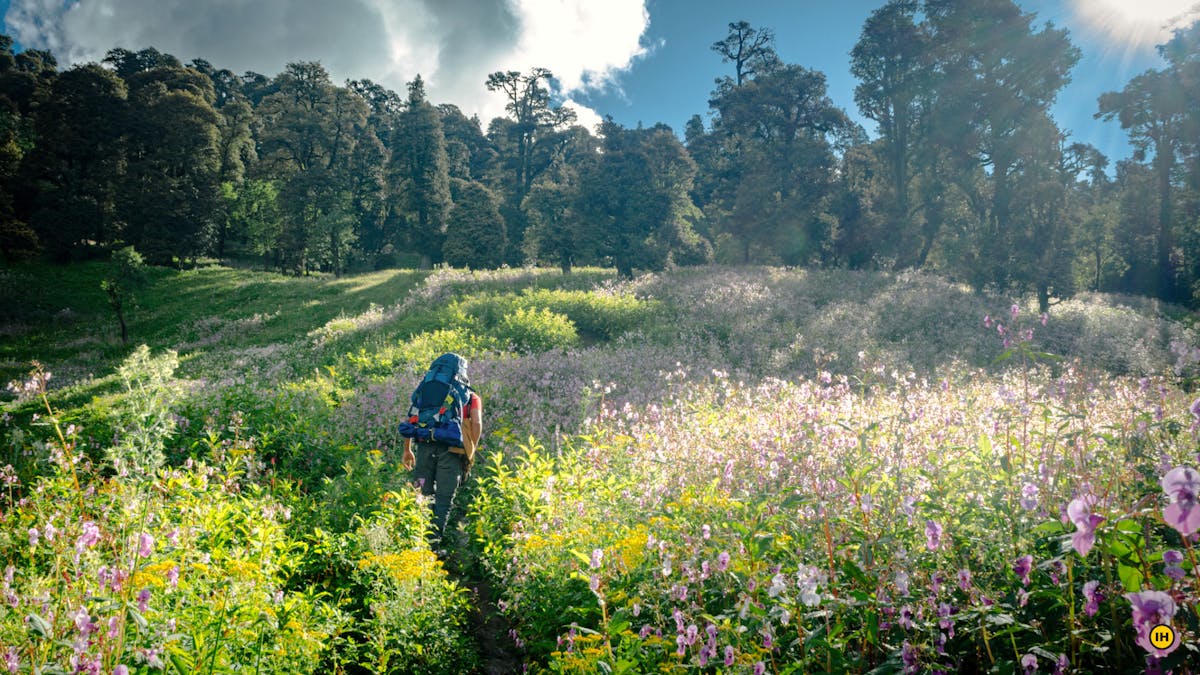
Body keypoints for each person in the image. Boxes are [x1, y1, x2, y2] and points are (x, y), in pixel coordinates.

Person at [401, 364, 482, 547]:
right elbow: (476, 424)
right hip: (452, 453)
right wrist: (471, 450)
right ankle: (433, 546)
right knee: (443, 499)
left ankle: (416, 541)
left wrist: (407, 449)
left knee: (421, 492)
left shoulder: (428, 391)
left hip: (424, 450)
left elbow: (411, 419)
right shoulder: (471, 396)